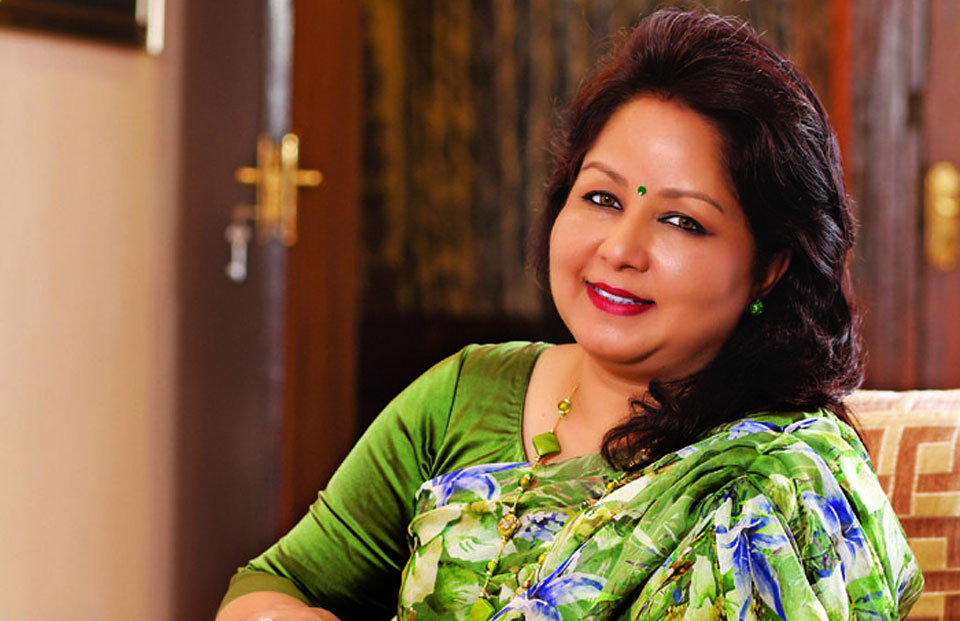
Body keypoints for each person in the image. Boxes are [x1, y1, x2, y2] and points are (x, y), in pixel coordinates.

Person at [217, 9, 922, 621]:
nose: (620, 249)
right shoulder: (463, 395)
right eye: (602, 199)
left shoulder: (786, 488)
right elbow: (276, 581)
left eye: (681, 220)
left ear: (770, 265)